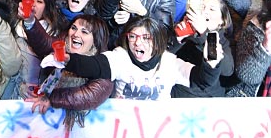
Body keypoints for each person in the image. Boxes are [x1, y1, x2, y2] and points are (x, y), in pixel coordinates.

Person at [47, 16, 219, 100]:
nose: (137, 43)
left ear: (158, 41)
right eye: (133, 37)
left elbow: (202, 81)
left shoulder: (169, 62)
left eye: (146, 38)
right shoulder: (121, 57)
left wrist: (211, 65)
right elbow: (94, 65)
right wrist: (68, 60)